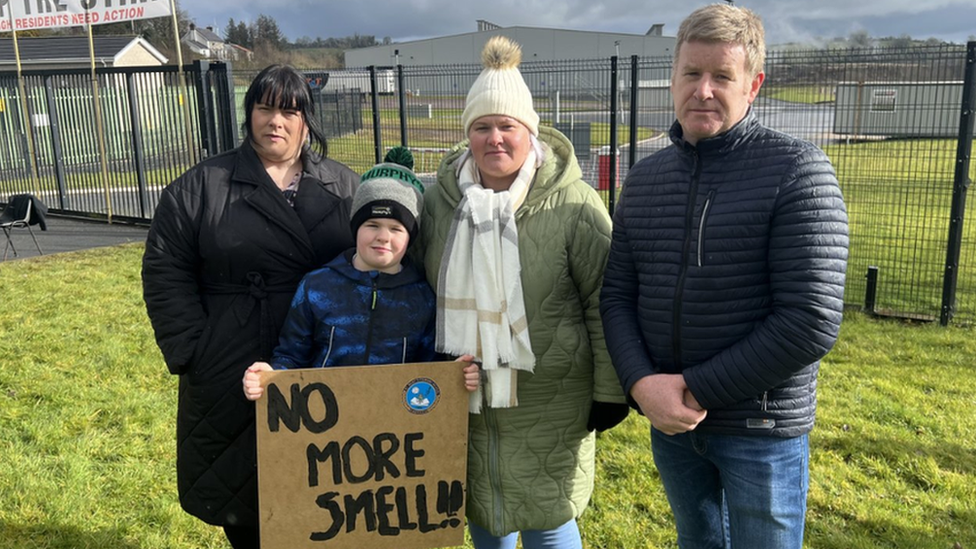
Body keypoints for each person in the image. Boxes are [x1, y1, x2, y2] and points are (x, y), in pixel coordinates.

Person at [599, 4, 849, 549]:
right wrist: (642, 384)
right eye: (692, 73)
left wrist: (690, 388)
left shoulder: (798, 171)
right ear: (673, 79)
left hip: (759, 429)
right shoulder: (644, 180)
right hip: (672, 426)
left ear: (753, 84)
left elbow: (810, 320)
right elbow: (617, 294)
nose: (703, 90)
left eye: (722, 76)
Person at [418, 36, 629, 549]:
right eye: (482, 127)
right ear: (467, 134)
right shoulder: (440, 203)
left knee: (548, 518)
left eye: (507, 126)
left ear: (529, 131)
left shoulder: (575, 204)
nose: (495, 139)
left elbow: (606, 302)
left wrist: (609, 391)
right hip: (463, 389)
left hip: (550, 397)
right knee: (484, 515)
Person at [142, 64, 358, 549]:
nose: (275, 121)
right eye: (264, 107)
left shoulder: (344, 185)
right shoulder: (202, 186)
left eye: (289, 109)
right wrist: (194, 350)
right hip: (231, 358)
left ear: (306, 119)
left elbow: (381, 258)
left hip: (323, 356)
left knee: (329, 485)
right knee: (246, 494)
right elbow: (165, 270)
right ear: (249, 113)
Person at [241, 147, 480, 398]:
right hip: (326, 420)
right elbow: (291, 355)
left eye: (396, 228)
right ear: (356, 227)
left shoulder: (423, 297)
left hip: (395, 421)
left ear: (411, 237)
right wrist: (269, 376)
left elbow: (431, 368)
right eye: (372, 224)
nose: (383, 237)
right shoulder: (317, 287)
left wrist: (455, 376)